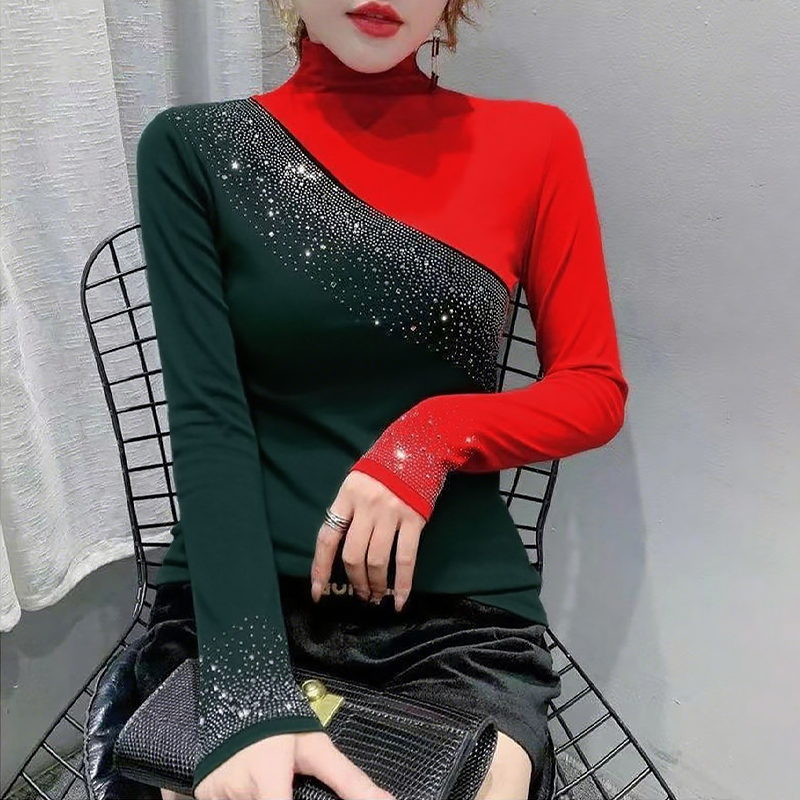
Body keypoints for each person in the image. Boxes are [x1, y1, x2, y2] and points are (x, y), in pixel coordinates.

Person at [134, 0, 629, 798]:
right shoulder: (196, 148)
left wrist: (428, 438)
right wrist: (249, 694)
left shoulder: (535, 142)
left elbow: (593, 390)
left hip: (454, 623)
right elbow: (209, 421)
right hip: (238, 606)